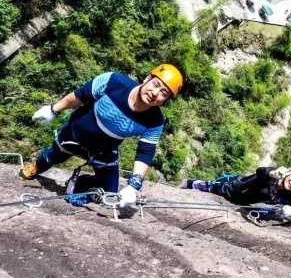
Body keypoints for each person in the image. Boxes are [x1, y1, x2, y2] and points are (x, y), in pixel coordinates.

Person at [21, 64, 183, 208]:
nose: (155, 93)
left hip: (104, 148)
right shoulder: (113, 81)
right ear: (147, 78)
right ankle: (36, 166)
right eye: (155, 85)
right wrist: (53, 110)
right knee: (52, 156)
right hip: (77, 132)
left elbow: (145, 152)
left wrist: (134, 185)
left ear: (165, 101)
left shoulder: (155, 121)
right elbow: (79, 96)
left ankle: (79, 183)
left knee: (110, 192)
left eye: (163, 93)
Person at [182, 165, 291, 217]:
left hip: (240, 201)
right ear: (289, 172)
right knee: (208, 186)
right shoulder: (273, 174)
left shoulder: (289, 193)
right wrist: (272, 173)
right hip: (231, 187)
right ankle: (186, 184)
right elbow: (261, 171)